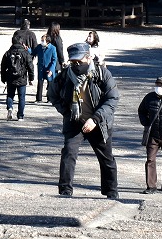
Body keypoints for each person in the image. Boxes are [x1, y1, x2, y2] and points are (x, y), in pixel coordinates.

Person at [48, 42, 120, 199]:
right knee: (68, 152)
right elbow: (52, 94)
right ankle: (65, 190)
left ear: (89, 58)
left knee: (106, 157)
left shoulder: (102, 74)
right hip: (74, 120)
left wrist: (95, 119)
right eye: (73, 62)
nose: (76, 65)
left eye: (79, 61)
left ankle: (111, 191)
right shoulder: (65, 76)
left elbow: (112, 99)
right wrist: (66, 112)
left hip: (99, 122)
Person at [2, 36, 33, 120]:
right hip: (22, 77)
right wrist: (31, 77)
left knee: (10, 95)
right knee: (21, 97)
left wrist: (3, 77)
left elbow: (3, 66)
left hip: (10, 77)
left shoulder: (8, 53)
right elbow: (30, 66)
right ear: (22, 43)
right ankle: (20, 116)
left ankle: (10, 108)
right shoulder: (25, 53)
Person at [34, 34, 60, 104]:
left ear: (47, 41)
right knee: (40, 83)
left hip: (49, 68)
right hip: (41, 68)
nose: (42, 41)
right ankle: (38, 98)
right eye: (41, 40)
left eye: (43, 40)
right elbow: (33, 52)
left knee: (50, 84)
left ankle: (50, 99)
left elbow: (54, 60)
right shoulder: (39, 47)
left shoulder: (53, 48)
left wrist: (51, 69)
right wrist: (28, 49)